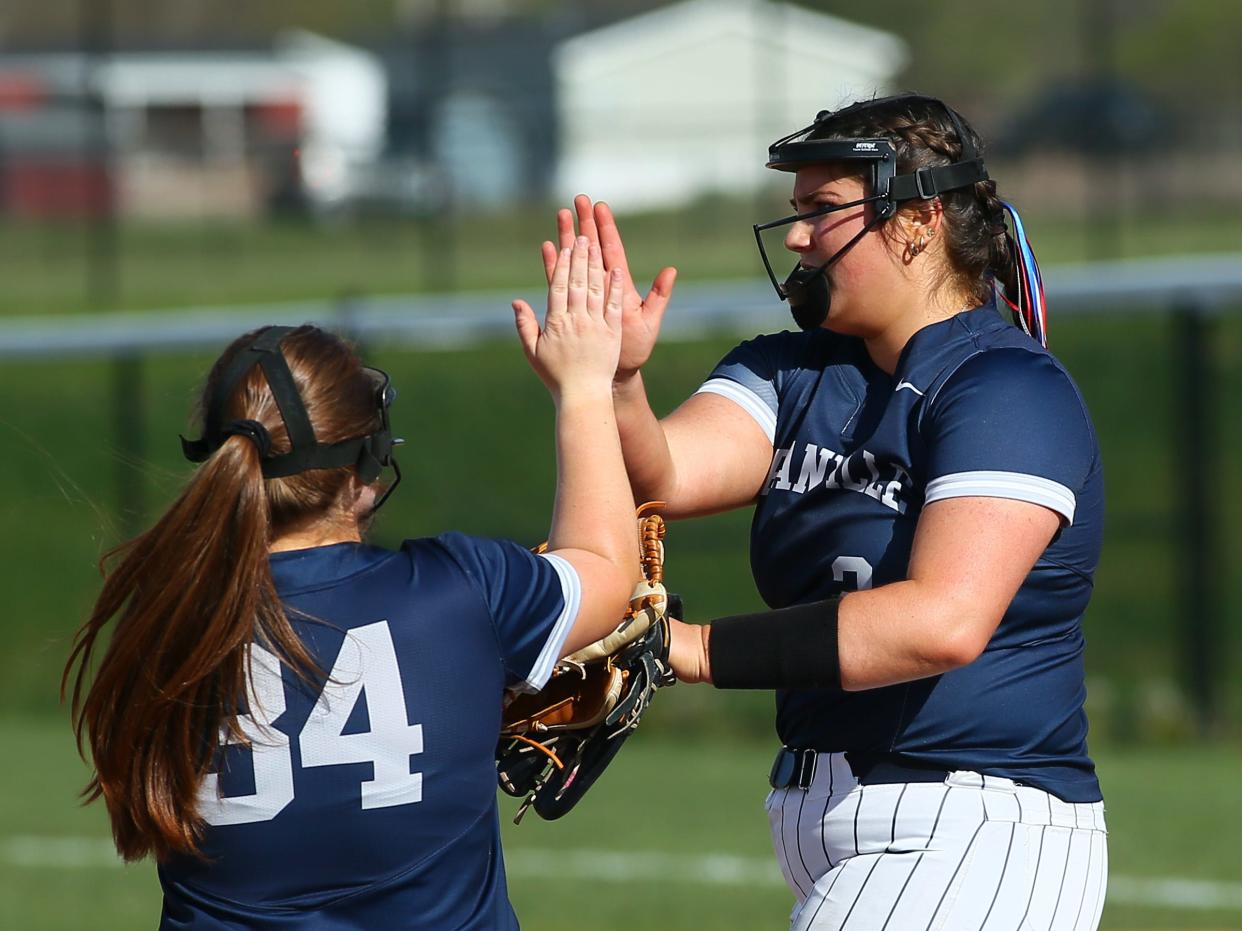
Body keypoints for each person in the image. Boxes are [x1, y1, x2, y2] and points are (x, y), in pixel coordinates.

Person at [547, 93, 1107, 930]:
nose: (799, 235)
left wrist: (691, 650)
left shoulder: (1005, 387)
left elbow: (943, 621)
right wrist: (611, 382)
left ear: (916, 221)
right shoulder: (794, 372)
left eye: (821, 209)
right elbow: (658, 473)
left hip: (969, 817)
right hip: (835, 815)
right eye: (795, 211)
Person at [63, 238, 638, 929]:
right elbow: (608, 565)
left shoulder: (164, 631)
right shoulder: (464, 591)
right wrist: (584, 386)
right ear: (365, 464)